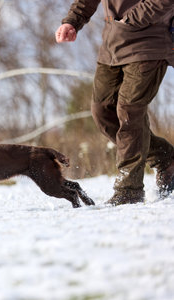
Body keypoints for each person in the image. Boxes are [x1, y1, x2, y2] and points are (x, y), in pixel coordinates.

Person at [55, 0, 174, 205]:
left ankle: (129, 189)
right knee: (103, 112)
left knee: (129, 112)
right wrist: (72, 22)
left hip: (149, 43)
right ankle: (165, 158)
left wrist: (128, 20)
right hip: (112, 44)